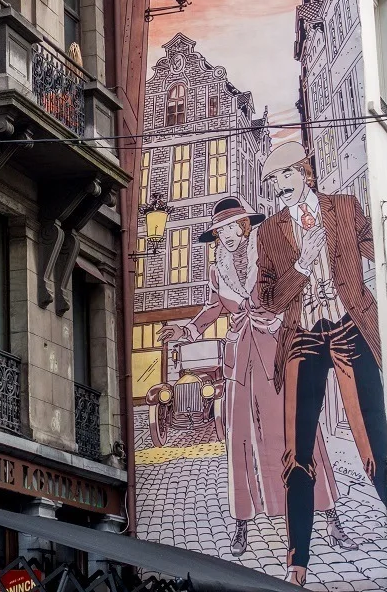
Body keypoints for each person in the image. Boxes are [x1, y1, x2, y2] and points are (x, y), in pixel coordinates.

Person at [161, 196, 353, 558]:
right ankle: (242, 524)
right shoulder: (218, 271)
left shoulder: (267, 253)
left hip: (277, 351)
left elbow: (289, 290)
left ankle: (330, 518)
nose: (228, 235)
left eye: (232, 227)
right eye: (220, 231)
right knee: (241, 440)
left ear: (244, 226)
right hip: (240, 360)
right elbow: (214, 306)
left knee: (298, 431)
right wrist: (187, 331)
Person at [255, 142, 387, 586]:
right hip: (303, 335)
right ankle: (297, 564)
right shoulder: (270, 231)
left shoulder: (345, 209)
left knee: (372, 438)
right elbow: (268, 296)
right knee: (297, 453)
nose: (279, 188)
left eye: (284, 177)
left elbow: (382, 248)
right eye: (273, 181)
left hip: (349, 323)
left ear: (304, 171)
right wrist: (303, 262)